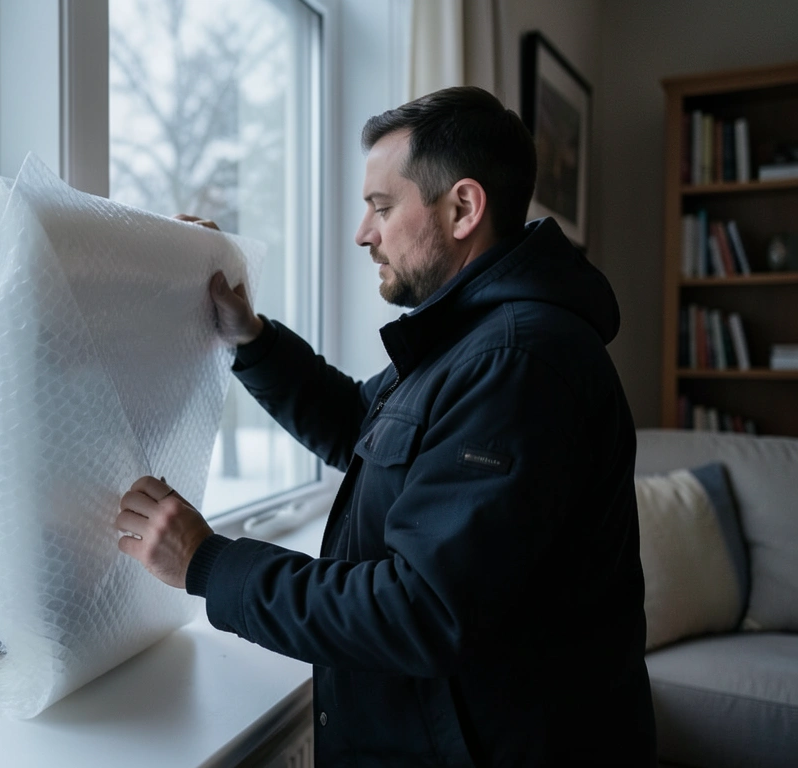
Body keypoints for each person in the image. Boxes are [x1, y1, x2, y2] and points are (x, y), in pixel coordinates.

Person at [114, 86, 656, 766]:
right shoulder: (471, 340)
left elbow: (420, 608)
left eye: (380, 206)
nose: (363, 233)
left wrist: (208, 562)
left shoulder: (518, 363)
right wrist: (248, 337)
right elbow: (360, 427)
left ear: (463, 207)